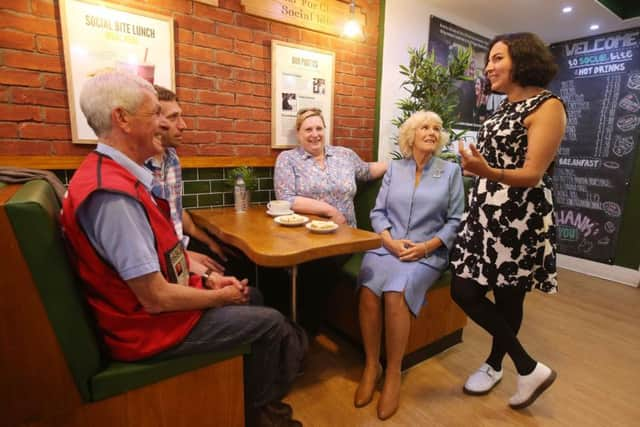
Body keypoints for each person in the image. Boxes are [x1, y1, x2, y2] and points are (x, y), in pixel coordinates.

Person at [59, 71, 307, 427]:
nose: (162, 124)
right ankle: (257, 417)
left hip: (148, 315)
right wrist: (219, 298)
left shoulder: (120, 175)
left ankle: (249, 402)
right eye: (154, 114)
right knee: (271, 324)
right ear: (122, 119)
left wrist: (206, 282)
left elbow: (161, 259)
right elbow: (155, 298)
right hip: (143, 331)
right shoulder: (112, 197)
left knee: (253, 295)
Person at [450, 32, 567, 410]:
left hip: (519, 217)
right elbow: (493, 164)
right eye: (489, 60)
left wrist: (488, 170)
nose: (488, 67)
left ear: (522, 60)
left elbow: (533, 173)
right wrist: (476, 169)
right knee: (464, 290)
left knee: (508, 295)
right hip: (485, 212)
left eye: (497, 58)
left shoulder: (548, 106)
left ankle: (495, 364)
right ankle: (528, 366)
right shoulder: (499, 109)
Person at [355, 111, 464, 420]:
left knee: (395, 293)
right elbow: (378, 213)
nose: (432, 132)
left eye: (437, 128)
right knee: (367, 290)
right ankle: (370, 365)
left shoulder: (450, 171)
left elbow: (456, 220)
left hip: (428, 252)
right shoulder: (396, 169)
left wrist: (427, 246)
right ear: (411, 135)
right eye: (425, 127)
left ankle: (392, 373)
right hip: (388, 247)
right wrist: (388, 242)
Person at [273, 108, 387, 334]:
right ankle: (294, 332)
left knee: (318, 270)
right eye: (308, 129)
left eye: (318, 128)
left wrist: (403, 163)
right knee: (302, 269)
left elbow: (367, 171)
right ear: (298, 133)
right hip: (306, 237)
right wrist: (328, 210)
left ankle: (302, 333)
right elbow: (286, 199)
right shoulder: (288, 160)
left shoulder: (344, 155)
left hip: (346, 236)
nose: (314, 134)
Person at [145, 85, 252, 280]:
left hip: (179, 244)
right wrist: (187, 259)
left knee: (235, 258)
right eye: (173, 117)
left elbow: (176, 209)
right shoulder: (138, 168)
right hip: (162, 258)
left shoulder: (172, 158)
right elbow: (148, 242)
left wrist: (209, 242)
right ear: (154, 122)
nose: (183, 125)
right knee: (232, 277)